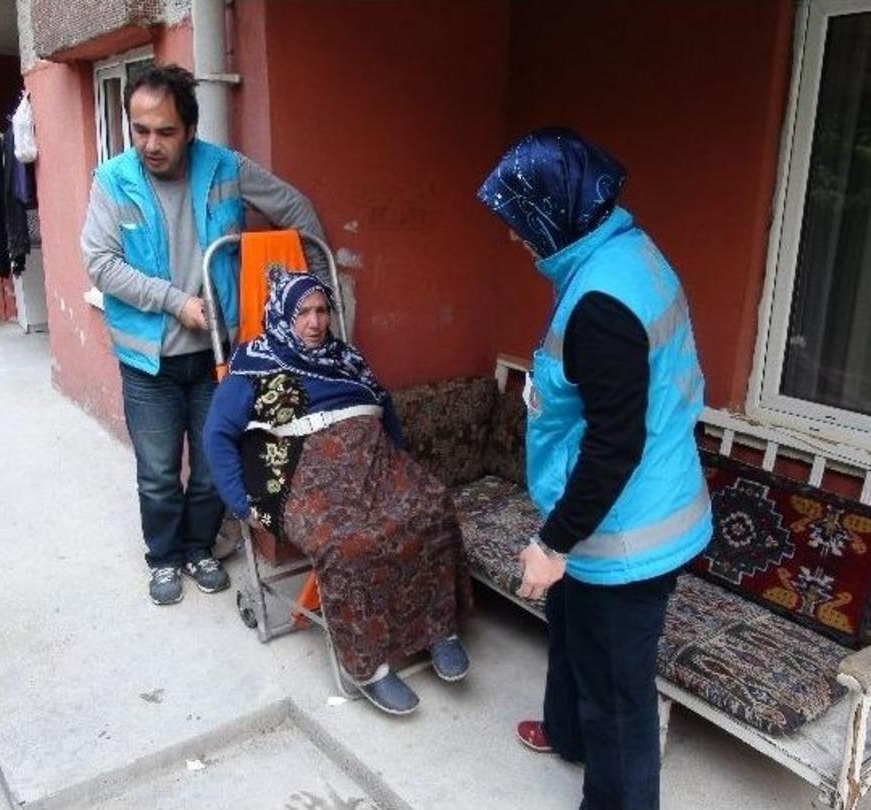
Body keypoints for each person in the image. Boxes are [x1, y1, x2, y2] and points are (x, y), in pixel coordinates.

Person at [477, 128, 712, 809]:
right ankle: (566, 733)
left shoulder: (604, 303)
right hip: (612, 510)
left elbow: (616, 445)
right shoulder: (622, 250)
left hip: (628, 530)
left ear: (557, 209)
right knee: (573, 631)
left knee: (619, 694)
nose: (515, 235)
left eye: (521, 220)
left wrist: (554, 544)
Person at [81, 65, 330, 605]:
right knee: (157, 472)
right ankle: (164, 558)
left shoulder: (224, 167)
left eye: (165, 132)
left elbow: (296, 210)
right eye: (140, 130)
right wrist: (176, 302)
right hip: (148, 362)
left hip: (220, 357)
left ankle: (199, 549)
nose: (151, 144)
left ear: (190, 129)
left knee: (215, 469)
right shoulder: (112, 181)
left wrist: (317, 287)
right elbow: (101, 264)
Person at [203, 269, 473, 716]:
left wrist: (400, 468)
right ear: (282, 316)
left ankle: (438, 629)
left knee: (430, 507)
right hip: (307, 475)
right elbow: (217, 435)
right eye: (303, 313)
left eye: (322, 310)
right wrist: (240, 503)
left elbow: (384, 407)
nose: (314, 322)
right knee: (347, 543)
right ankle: (367, 667)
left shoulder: (346, 359)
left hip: (374, 461)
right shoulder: (253, 366)